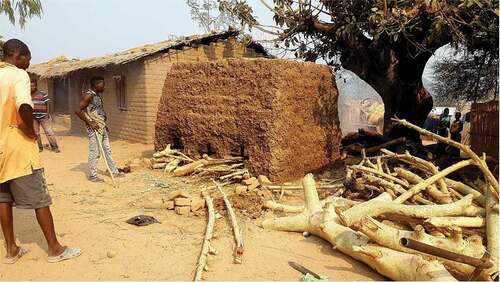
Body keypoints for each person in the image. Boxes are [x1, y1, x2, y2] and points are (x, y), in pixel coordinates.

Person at [0, 39, 81, 264]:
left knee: (3, 199)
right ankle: (55, 249)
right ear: (18, 55)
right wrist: (30, 131)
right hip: (17, 149)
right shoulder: (18, 75)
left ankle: (11, 250)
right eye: (28, 58)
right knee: (40, 199)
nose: (29, 63)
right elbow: (24, 106)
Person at [75, 76, 123, 182]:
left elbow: (97, 111)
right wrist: (91, 122)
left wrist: (103, 124)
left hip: (101, 126)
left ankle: (113, 171)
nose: (104, 87)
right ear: (96, 84)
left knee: (107, 150)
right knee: (95, 152)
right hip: (94, 128)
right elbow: (78, 110)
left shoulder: (97, 96)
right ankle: (93, 175)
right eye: (102, 84)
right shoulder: (89, 95)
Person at [31, 77, 60, 153]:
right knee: (36, 133)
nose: (31, 88)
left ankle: (55, 147)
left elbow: (48, 104)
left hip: (44, 116)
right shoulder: (28, 95)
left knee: (49, 132)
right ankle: (40, 148)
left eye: (33, 86)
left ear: (36, 86)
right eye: (30, 86)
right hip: (33, 117)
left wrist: (47, 114)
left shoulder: (43, 94)